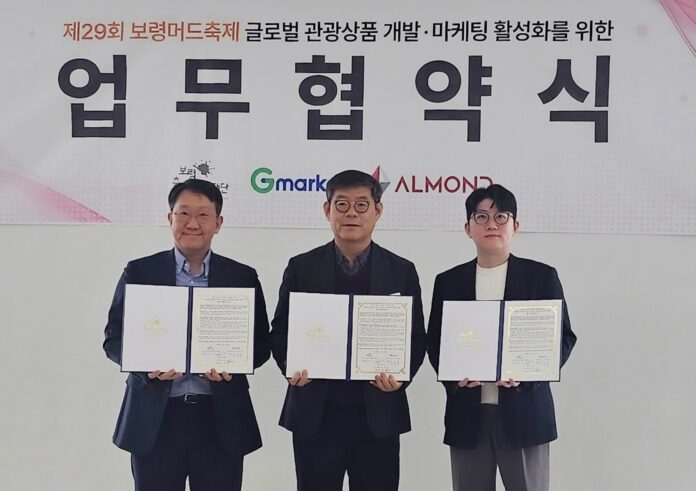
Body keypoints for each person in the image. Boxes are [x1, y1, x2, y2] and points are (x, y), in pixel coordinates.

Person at [103, 179, 270, 491]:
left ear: (218, 223)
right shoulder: (140, 273)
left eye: (203, 215)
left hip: (220, 419)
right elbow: (113, 339)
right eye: (183, 214)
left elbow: (261, 345)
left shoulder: (241, 277)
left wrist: (234, 366)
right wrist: (144, 366)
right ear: (170, 218)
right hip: (156, 417)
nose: (193, 224)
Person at [270, 169, 427, 491]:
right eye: (341, 204)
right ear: (327, 210)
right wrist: (290, 366)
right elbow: (281, 331)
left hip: (378, 414)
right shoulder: (302, 267)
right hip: (316, 413)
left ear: (377, 211)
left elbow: (416, 337)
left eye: (361, 205)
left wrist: (401, 376)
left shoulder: (401, 271)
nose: (351, 213)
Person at [427, 184, 577, 491]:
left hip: (525, 413)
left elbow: (563, 338)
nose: (491, 224)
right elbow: (436, 342)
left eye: (501, 216)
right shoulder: (449, 281)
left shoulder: (541, 277)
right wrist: (454, 377)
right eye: (481, 216)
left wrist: (528, 373)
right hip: (468, 414)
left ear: (515, 226)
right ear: (468, 228)